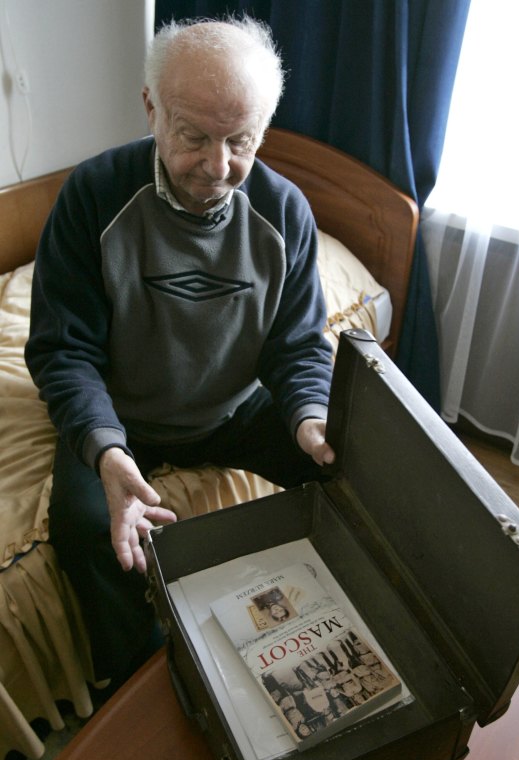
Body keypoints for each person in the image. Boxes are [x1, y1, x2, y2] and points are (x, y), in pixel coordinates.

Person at [25, 16, 335, 693]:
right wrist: (107, 451)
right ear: (151, 108)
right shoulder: (93, 194)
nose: (217, 167)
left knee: (351, 473)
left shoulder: (286, 213)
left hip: (235, 408)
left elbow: (299, 343)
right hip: (122, 414)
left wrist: (310, 417)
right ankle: (135, 685)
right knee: (85, 529)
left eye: (240, 142)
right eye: (193, 136)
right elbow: (62, 347)